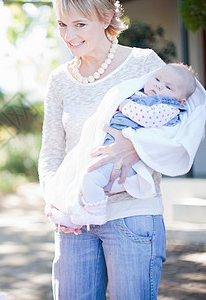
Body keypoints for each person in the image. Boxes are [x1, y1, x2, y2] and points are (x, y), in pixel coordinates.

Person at [38, 0, 205, 299]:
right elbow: (51, 151)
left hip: (132, 215)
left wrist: (135, 148)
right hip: (75, 219)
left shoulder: (144, 62)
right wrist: (56, 199)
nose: (69, 35)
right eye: (62, 24)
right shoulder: (59, 80)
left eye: (79, 24)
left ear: (106, 18)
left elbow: (182, 125)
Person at [51, 63, 198, 227]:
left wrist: (125, 105)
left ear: (181, 100)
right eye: (157, 79)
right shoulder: (137, 93)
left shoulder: (168, 107)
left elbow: (147, 118)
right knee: (78, 171)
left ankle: (95, 215)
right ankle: (71, 215)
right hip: (107, 145)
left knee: (89, 178)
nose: (158, 85)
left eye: (168, 87)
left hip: (122, 159)